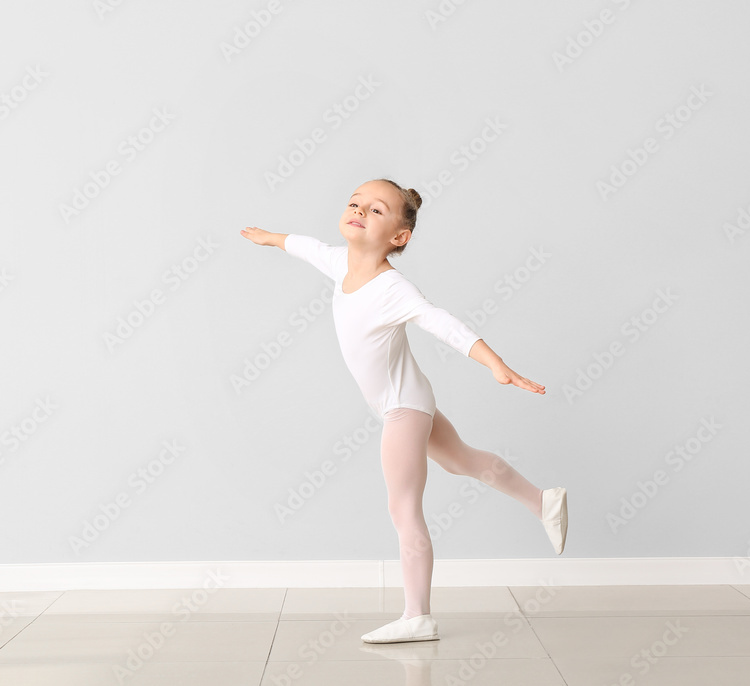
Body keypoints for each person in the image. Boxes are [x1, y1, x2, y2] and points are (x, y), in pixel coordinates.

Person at [240, 178, 567, 644]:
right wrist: (271, 238)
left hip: (403, 411)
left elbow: (444, 324)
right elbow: (305, 246)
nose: (359, 210)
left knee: (403, 506)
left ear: (399, 237)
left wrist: (497, 365)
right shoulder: (339, 262)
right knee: (462, 461)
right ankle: (543, 501)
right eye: (355, 203)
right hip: (412, 400)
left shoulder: (392, 289)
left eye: (376, 210)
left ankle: (418, 614)